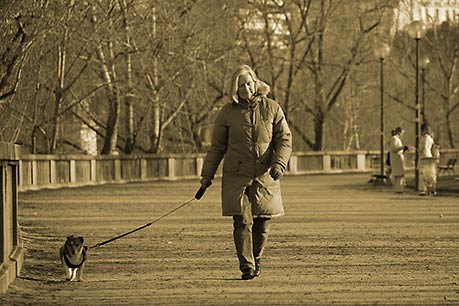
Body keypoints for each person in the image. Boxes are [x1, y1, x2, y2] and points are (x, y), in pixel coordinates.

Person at [199, 64, 292, 280]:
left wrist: (279, 164)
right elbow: (217, 148)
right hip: (236, 174)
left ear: (256, 83)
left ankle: (256, 257)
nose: (246, 89)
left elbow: (285, 139)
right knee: (241, 221)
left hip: (264, 173)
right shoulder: (227, 113)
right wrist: (207, 176)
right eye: (241, 85)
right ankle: (247, 266)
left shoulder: (272, 108)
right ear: (235, 88)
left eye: (249, 84)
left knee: (263, 221)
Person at [419, 123, 439, 196]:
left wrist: (419, 150)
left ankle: (424, 189)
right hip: (428, 154)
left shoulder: (425, 138)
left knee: (424, 173)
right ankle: (430, 188)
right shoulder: (430, 138)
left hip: (424, 155)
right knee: (430, 173)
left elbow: (423, 147)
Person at [390, 127, 408, 194]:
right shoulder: (394, 138)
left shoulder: (397, 139)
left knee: (399, 174)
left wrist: (403, 150)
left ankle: (398, 189)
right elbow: (394, 148)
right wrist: (402, 147)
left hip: (398, 158)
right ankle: (399, 190)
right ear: (399, 132)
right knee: (400, 174)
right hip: (397, 159)